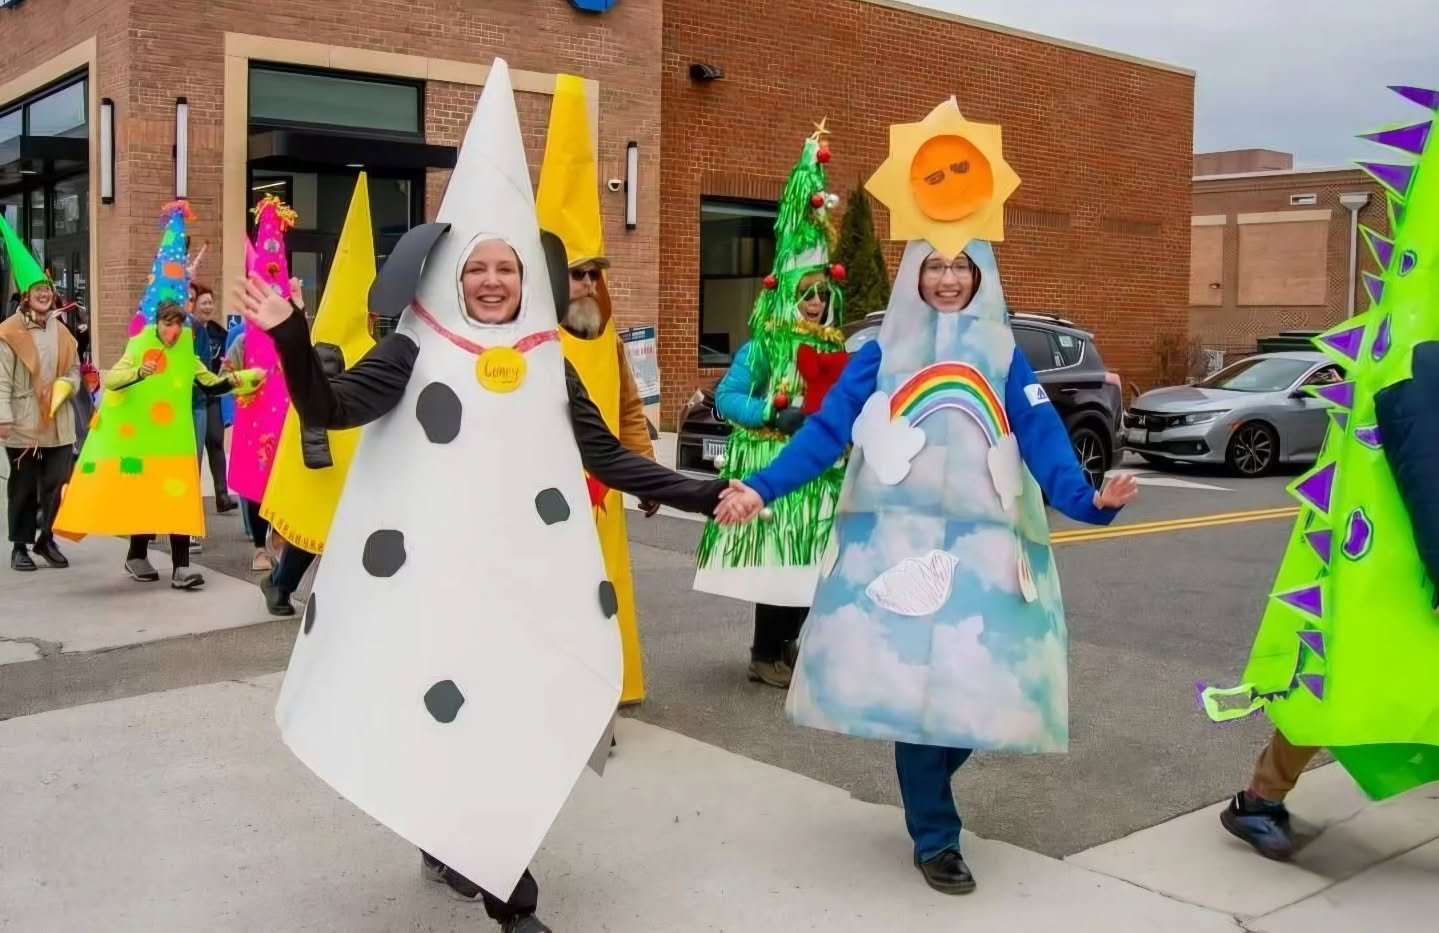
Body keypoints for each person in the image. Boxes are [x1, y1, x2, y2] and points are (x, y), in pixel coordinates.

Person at [249, 60, 733, 933]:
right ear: (451, 274)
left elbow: (610, 460)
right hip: (431, 592)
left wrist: (707, 493)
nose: (492, 282)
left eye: (506, 268)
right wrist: (288, 334)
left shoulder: (548, 365)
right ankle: (512, 901)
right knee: (451, 719)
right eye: (478, 268)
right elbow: (331, 407)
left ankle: (462, 839)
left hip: (518, 587)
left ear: (527, 276)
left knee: (503, 725)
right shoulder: (409, 352)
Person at [716, 99, 1138, 894]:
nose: (946, 278)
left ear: (979, 276)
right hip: (895, 553)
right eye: (934, 265)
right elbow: (823, 435)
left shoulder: (1007, 359)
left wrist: (1091, 501)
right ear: (916, 273)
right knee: (918, 701)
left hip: (986, 553)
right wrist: (761, 489)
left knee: (983, 694)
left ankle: (932, 796)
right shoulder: (877, 355)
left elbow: (1046, 447)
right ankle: (934, 833)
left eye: (960, 267)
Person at [1205, 83, 1439, 860]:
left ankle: (1261, 795)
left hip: (1400, 563)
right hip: (1397, 560)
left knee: (1367, 679)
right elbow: (1421, 460)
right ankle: (1258, 797)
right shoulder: (1420, 338)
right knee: (1338, 679)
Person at [694, 126, 850, 688]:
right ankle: (766, 653)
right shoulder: (763, 347)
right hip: (773, 466)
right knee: (779, 564)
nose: (814, 301)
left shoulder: (838, 347)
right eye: (805, 292)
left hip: (824, 472)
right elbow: (728, 397)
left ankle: (790, 648)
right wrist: (770, 414)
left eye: (821, 293)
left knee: (814, 563)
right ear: (787, 294)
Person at [53, 201, 260, 590]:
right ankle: (137, 555)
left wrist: (244, 378)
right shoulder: (141, 341)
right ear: (157, 321)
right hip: (143, 438)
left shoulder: (185, 344)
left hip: (177, 438)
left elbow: (208, 381)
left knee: (179, 501)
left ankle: (181, 567)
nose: (173, 331)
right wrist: (138, 372)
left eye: (178, 325)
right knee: (146, 498)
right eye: (168, 324)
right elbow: (113, 381)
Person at [538, 73, 658, 707]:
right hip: (541, 499)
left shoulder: (605, 337)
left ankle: (606, 685)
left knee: (599, 590)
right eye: (574, 273)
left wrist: (644, 475)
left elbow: (629, 410)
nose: (585, 283)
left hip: (603, 495)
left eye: (592, 273)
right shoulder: (526, 342)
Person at [0, 215, 79, 572]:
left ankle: (46, 537)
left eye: (47, 288)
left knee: (57, 482)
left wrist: (69, 385)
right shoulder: (9, 332)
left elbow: (74, 370)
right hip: (24, 422)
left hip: (58, 421)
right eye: (38, 290)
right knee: (23, 486)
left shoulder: (62, 332)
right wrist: (3, 417)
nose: (45, 294)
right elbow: (1, 379)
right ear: (26, 296)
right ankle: (20, 545)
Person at [191, 283, 237, 515]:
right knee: (196, 451)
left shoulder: (221, 334)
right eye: (203, 302)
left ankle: (222, 494)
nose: (208, 306)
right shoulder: (188, 331)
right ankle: (192, 501)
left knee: (216, 440)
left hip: (212, 395)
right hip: (194, 397)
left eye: (211, 302)